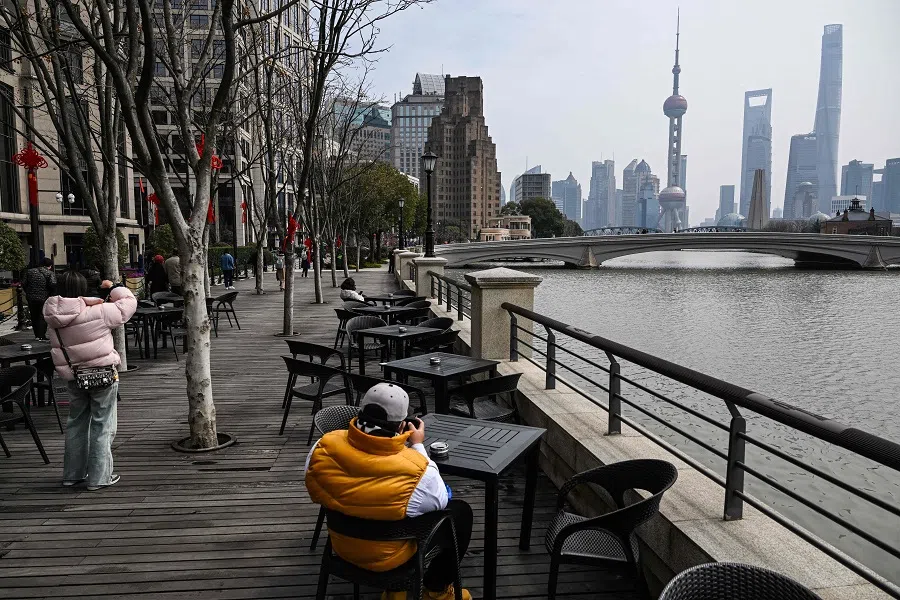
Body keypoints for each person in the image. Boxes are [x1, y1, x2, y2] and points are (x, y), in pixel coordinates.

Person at [305, 384, 472, 600]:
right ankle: (436, 589)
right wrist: (418, 446)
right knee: (459, 513)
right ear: (402, 425)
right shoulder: (418, 470)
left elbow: (314, 485)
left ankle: (397, 593)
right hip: (391, 558)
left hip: (342, 546)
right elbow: (440, 501)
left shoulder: (322, 447)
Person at [44, 272, 137, 491]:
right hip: (102, 375)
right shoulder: (99, 311)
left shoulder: (52, 318)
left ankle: (72, 475)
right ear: (84, 288)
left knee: (76, 424)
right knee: (102, 425)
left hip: (75, 377)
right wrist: (114, 287)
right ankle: (99, 477)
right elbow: (129, 303)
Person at [22, 257, 56, 341]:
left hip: (31, 297)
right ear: (49, 266)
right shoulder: (49, 273)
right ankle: (42, 335)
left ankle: (37, 335)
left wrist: (28, 291)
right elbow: (53, 284)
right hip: (43, 297)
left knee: (34, 316)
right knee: (42, 316)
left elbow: (23, 283)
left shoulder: (29, 271)